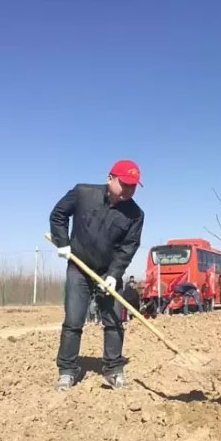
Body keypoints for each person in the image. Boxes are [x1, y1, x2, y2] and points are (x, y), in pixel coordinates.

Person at [50, 160, 144, 391]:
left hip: (108, 271)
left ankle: (113, 370)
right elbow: (58, 215)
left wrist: (114, 274)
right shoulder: (83, 193)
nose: (129, 190)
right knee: (73, 320)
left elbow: (128, 247)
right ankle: (67, 370)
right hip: (79, 267)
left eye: (133, 186)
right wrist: (62, 243)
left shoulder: (135, 214)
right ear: (110, 178)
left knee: (113, 320)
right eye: (124, 184)